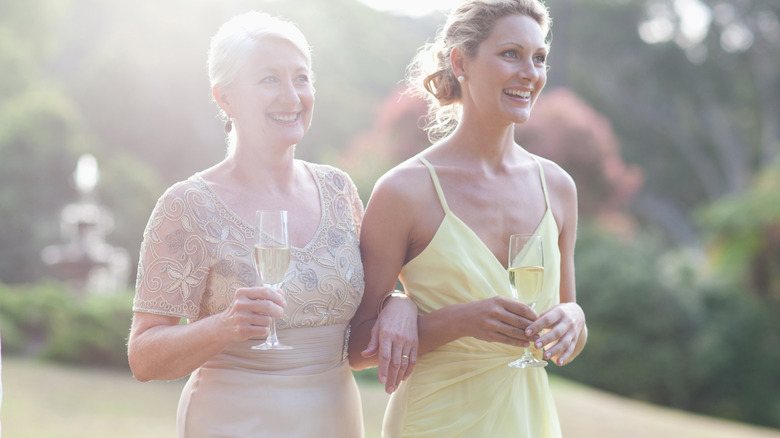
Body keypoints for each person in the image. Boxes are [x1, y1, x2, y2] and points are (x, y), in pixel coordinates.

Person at [348, 0, 588, 436]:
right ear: (461, 62)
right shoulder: (404, 191)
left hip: (529, 421)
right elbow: (356, 349)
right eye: (511, 53)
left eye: (539, 58)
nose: (529, 72)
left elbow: (562, 339)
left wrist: (575, 319)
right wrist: (454, 319)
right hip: (434, 420)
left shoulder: (558, 188)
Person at [128, 11, 369, 437]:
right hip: (232, 422)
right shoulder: (186, 206)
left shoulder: (339, 190)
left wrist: (401, 304)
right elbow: (143, 357)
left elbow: (378, 306)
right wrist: (223, 326)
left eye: (301, 78)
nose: (292, 96)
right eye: (269, 79)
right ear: (225, 98)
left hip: (335, 420)